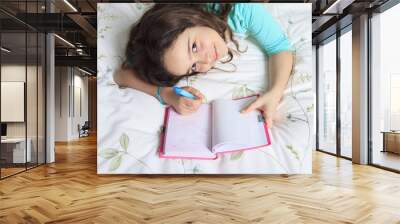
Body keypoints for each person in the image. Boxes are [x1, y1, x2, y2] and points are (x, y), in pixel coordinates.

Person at [114, 3, 293, 126]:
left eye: (194, 47)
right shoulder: (163, 49)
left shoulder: (242, 10)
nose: (206, 61)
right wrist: (166, 94)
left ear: (193, 19)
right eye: (193, 67)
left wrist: (275, 92)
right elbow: (121, 75)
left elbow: (279, 47)